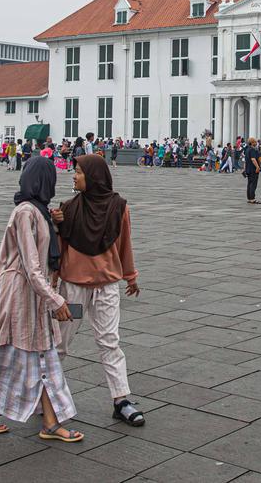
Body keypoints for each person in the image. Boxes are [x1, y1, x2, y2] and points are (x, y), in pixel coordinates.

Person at [0, 157, 83, 442]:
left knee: (40, 355)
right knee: (12, 353)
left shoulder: (39, 212)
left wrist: (55, 225)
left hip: (32, 293)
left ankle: (49, 421)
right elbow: (31, 266)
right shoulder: (26, 213)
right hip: (19, 293)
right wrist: (55, 300)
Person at [51, 155, 145, 428]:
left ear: (94, 177)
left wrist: (130, 276)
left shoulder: (118, 207)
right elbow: (58, 250)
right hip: (73, 290)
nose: (74, 175)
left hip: (106, 288)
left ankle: (121, 400)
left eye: (79, 172)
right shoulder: (67, 209)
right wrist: (53, 285)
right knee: (60, 343)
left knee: (110, 342)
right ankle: (47, 396)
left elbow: (125, 244)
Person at [243, 137, 261, 204]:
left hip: (248, 169)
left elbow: (245, 161)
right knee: (253, 184)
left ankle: (249, 198)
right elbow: (253, 159)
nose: (256, 143)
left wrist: (244, 169)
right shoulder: (252, 150)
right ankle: (252, 199)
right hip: (253, 169)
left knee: (249, 184)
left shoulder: (247, 150)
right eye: (255, 142)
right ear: (253, 143)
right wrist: (257, 167)